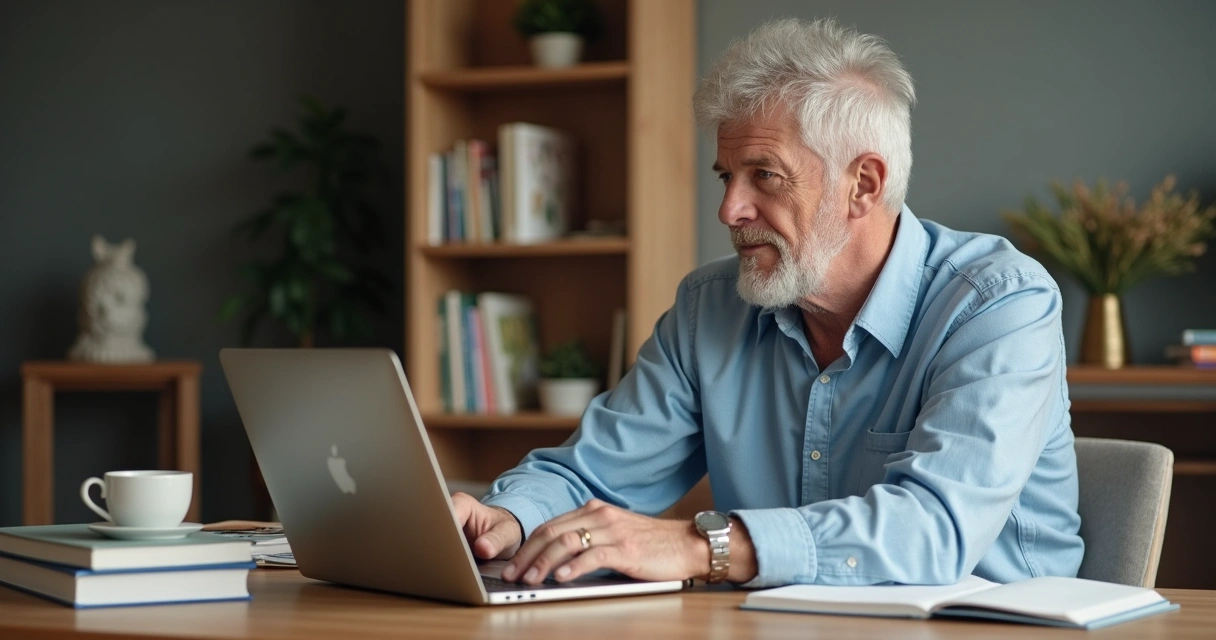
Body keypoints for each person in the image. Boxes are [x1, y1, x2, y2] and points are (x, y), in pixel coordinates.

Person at [451, 17, 1083, 588]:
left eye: (765, 176)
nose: (729, 210)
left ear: (863, 184)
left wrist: (705, 546)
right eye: (728, 177)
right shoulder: (709, 309)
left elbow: (935, 527)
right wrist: (506, 517)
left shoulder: (999, 304)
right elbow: (594, 474)